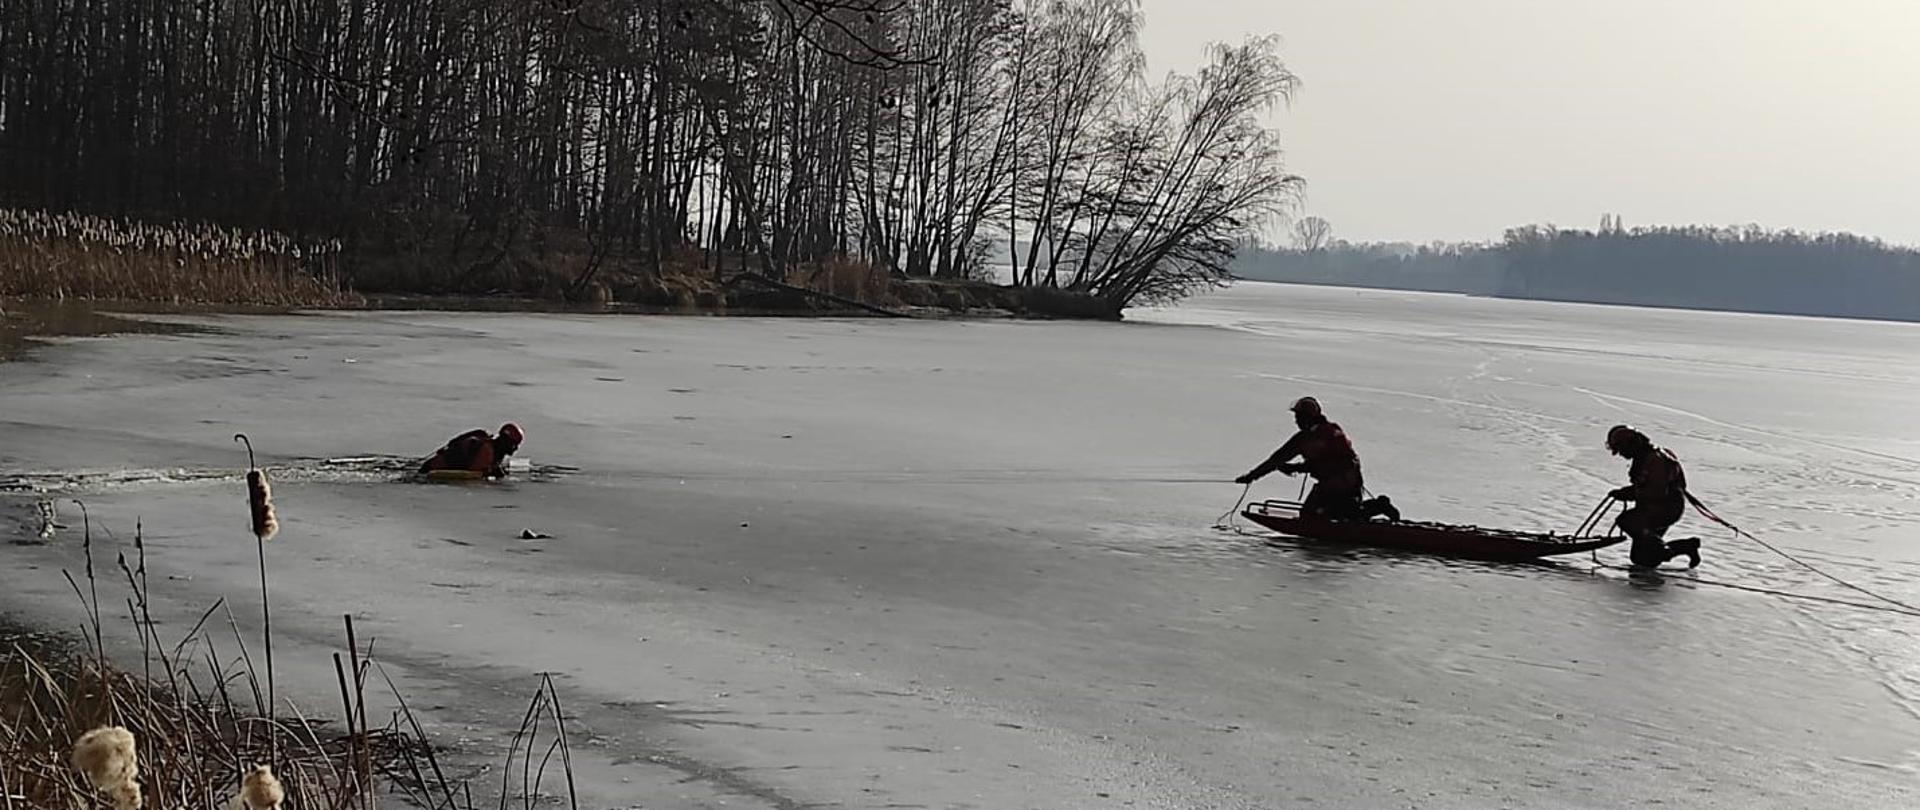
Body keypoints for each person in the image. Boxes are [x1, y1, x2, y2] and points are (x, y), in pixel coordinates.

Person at [1235, 397, 1399, 521]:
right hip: (1351, 481)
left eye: (1298, 417)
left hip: (1336, 484)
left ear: (1307, 418)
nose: (1296, 421)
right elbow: (1333, 461)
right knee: (1334, 511)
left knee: (1313, 517)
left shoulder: (1306, 439)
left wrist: (1251, 476)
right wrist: (1295, 468)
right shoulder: (1332, 429)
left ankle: (1375, 507)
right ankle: (1372, 506)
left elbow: (1276, 460)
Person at [1605, 424, 1701, 569]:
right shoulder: (1646, 457)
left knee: (1626, 520)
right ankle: (1686, 546)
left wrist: (1628, 493)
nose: (1620, 454)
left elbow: (1656, 492)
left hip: (1664, 509)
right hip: (1657, 508)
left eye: (1621, 449)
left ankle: (1661, 547)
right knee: (1642, 559)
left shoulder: (1656, 460)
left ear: (1631, 444)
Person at [419, 422, 525, 478]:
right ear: (505, 442)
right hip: (430, 470)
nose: (515, 449)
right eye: (513, 445)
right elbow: (473, 476)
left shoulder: (494, 449)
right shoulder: (486, 451)